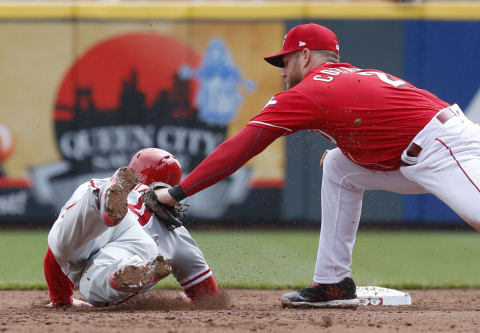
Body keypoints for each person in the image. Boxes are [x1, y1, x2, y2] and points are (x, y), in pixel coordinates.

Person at [153, 22, 480, 308]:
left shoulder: (310, 90)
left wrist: (178, 192)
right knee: (339, 166)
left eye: (285, 60)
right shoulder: (348, 77)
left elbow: (240, 147)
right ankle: (331, 282)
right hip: (420, 154)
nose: (282, 71)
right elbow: (385, 126)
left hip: (446, 147)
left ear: (305, 56)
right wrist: (352, 154)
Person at [44, 148, 217, 307]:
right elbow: (206, 292)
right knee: (94, 285)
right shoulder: (175, 231)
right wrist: (189, 300)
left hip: (99, 210)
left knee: (63, 243)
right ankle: (129, 269)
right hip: (141, 242)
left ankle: (102, 199)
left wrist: (62, 300)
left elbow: (54, 256)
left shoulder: (97, 182)